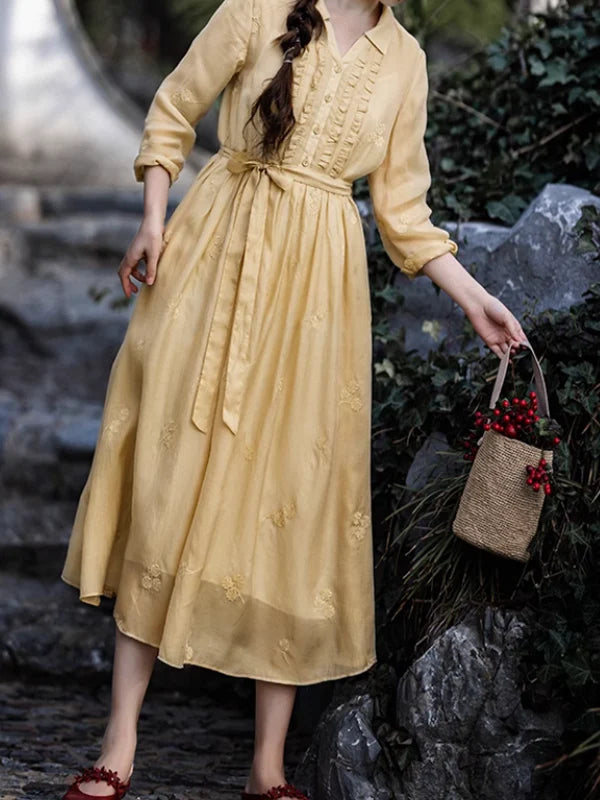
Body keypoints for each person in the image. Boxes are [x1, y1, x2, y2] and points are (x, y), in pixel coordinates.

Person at [60, 0, 528, 798]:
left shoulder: (405, 60)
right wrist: (150, 223)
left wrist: (472, 297)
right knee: (171, 482)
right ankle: (119, 744)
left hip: (317, 299)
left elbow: (403, 213)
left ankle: (268, 765)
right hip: (213, 260)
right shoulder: (257, 5)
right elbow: (175, 108)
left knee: (294, 498)